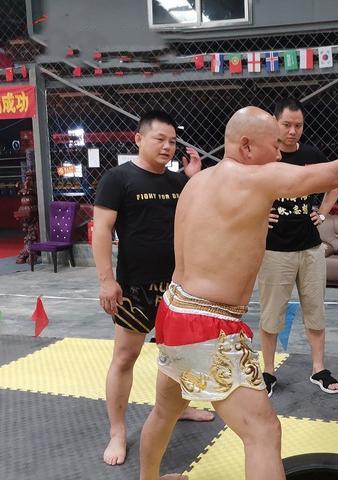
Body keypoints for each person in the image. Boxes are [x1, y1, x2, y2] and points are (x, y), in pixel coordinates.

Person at [138, 106, 338, 480]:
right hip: (207, 325)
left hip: (173, 310)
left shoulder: (198, 181)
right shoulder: (254, 178)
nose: (281, 155)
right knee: (263, 433)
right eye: (275, 146)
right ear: (247, 146)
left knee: (165, 410)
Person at [92, 110, 213, 466]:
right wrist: (106, 280)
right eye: (160, 139)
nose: (167, 146)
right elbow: (101, 231)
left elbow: (200, 220)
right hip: (133, 287)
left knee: (179, 356)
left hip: (177, 286)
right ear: (139, 139)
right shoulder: (118, 178)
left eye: (173, 141)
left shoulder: (178, 181)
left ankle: (179, 408)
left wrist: (193, 180)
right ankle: (117, 431)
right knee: (125, 357)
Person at [258, 98, 338, 396]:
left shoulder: (311, 155)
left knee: (315, 310)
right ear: (275, 123)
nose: (293, 131)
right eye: (287, 125)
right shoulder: (264, 157)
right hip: (274, 250)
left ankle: (318, 368)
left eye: (298, 125)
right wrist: (258, 214)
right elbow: (242, 189)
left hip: (310, 247)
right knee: (271, 315)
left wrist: (323, 212)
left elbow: (335, 181)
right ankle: (268, 371)